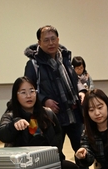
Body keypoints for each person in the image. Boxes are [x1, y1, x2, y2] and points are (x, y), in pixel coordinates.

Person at [24, 25, 85, 154]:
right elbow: (29, 89)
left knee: (82, 150)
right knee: (55, 153)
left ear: (58, 39)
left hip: (73, 113)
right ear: (39, 43)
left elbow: (75, 79)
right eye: (46, 40)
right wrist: (44, 100)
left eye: (53, 39)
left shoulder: (65, 58)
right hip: (52, 117)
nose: (50, 43)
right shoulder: (34, 64)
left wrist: (82, 91)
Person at [0, 77, 79, 169]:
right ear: (16, 95)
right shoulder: (10, 115)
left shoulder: (48, 113)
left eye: (32, 91)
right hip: (23, 166)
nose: (28, 96)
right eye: (23, 92)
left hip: (49, 162)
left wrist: (56, 159)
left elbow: (58, 137)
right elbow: (1, 134)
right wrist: (14, 125)